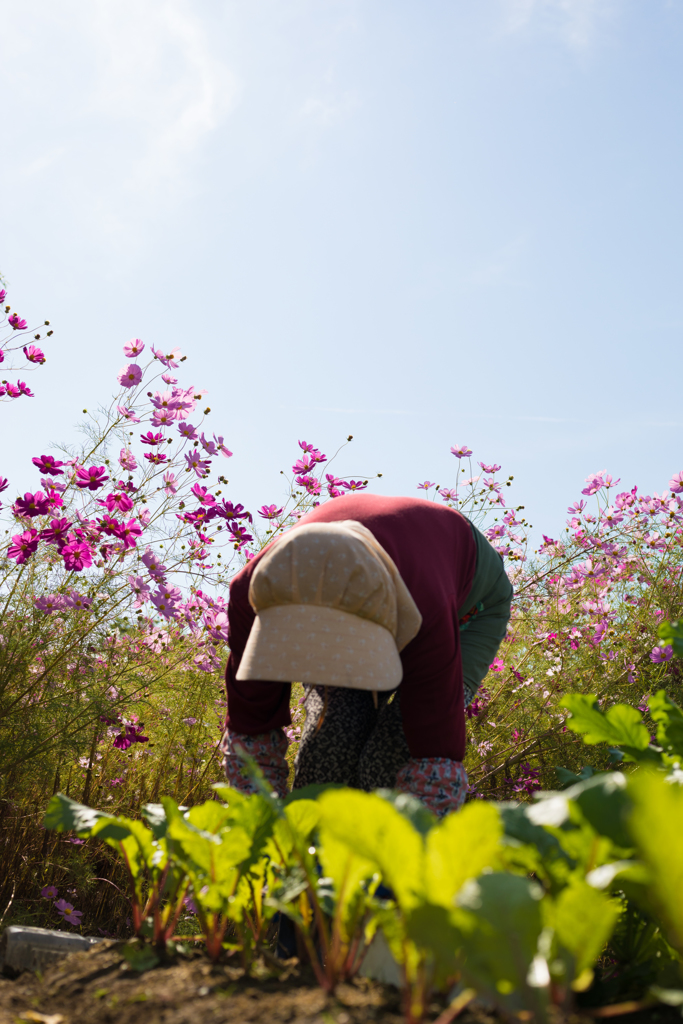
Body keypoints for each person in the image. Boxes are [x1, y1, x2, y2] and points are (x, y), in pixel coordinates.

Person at [220, 493, 512, 817]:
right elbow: (252, 722)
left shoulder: (428, 606)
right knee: (330, 744)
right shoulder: (251, 592)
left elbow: (434, 756)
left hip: (467, 608)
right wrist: (260, 825)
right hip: (363, 580)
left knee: (391, 754)